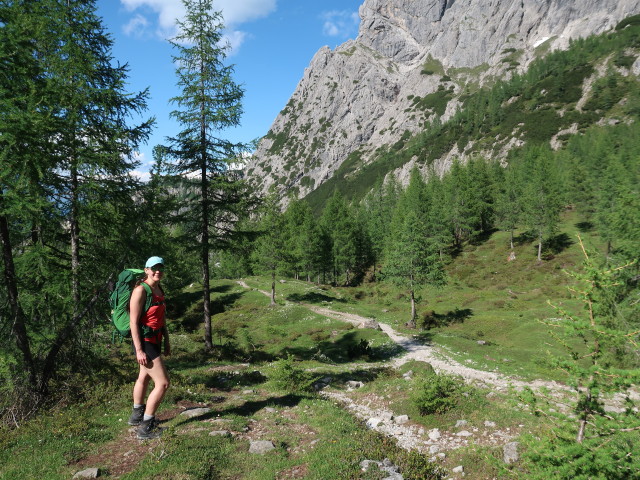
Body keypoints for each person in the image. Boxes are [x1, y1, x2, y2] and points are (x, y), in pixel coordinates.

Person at [127, 256, 171, 439]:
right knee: (163, 383)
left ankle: (137, 415)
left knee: (143, 376)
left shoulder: (159, 288)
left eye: (160, 267)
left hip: (156, 338)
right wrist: (138, 350)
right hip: (144, 341)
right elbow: (133, 322)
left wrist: (167, 340)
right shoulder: (140, 290)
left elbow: (161, 318)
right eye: (154, 268)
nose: (157, 271)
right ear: (146, 270)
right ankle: (146, 427)